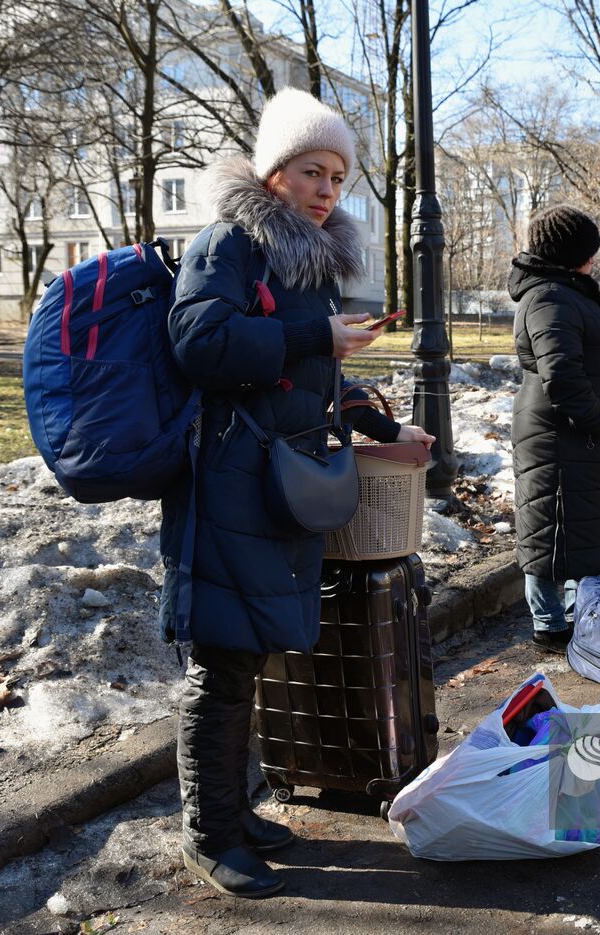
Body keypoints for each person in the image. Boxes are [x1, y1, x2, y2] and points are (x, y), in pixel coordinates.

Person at [159, 88, 434, 899]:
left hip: (275, 490)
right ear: (273, 171)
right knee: (220, 663)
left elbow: (313, 383)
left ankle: (234, 814)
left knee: (247, 658)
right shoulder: (228, 245)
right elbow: (198, 341)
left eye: (339, 177)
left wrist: (385, 431)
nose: (326, 189)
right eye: (311, 170)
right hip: (228, 488)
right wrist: (315, 334)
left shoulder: (305, 264)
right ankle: (208, 836)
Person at [509, 206, 600, 653]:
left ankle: (573, 615)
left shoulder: (563, 292)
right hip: (559, 437)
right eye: (589, 251)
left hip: (574, 436)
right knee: (552, 528)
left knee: (574, 528)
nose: (594, 260)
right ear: (572, 253)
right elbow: (561, 375)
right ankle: (549, 625)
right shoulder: (549, 298)